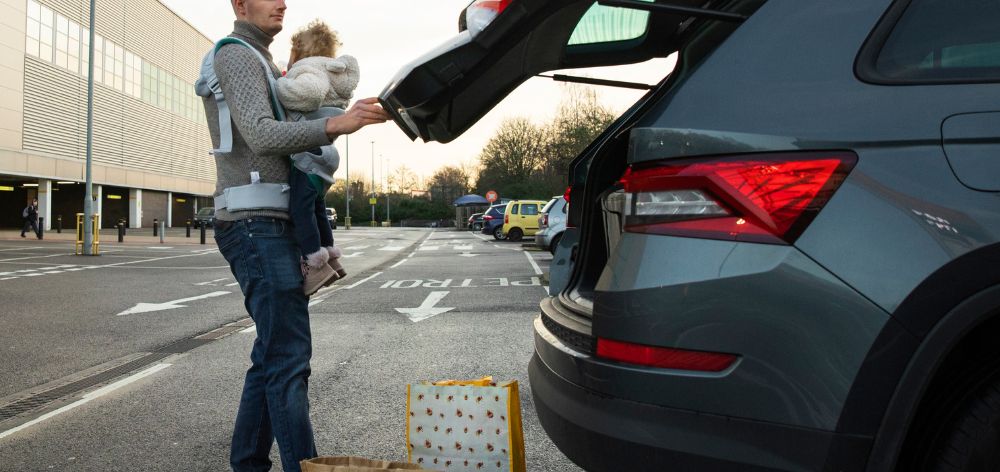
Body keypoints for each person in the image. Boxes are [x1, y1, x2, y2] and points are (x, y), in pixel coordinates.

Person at [203, 1, 389, 471]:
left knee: (272, 357)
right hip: (254, 223)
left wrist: (337, 115)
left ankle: (248, 463)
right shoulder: (237, 55)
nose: (283, 2)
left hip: (268, 220)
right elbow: (262, 136)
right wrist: (334, 123)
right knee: (288, 359)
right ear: (240, 4)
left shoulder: (265, 61)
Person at [276, 19, 357, 295]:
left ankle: (314, 265)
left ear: (298, 53)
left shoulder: (308, 71)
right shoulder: (334, 74)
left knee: (301, 209)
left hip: (308, 152)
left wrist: (280, 85)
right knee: (317, 207)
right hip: (327, 152)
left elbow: (309, 94)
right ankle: (332, 258)